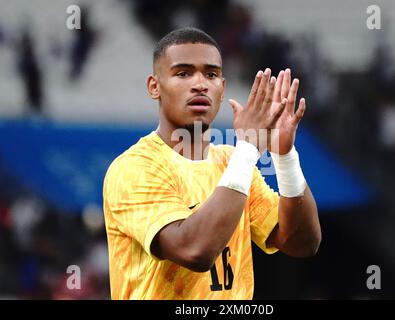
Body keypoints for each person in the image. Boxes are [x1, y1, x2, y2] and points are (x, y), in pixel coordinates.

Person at [103, 27, 321, 300]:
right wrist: (249, 148)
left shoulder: (232, 161)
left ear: (222, 88)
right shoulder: (134, 168)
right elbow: (194, 250)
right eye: (183, 73)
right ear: (154, 86)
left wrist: (284, 155)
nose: (200, 84)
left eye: (211, 74)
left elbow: (302, 243)